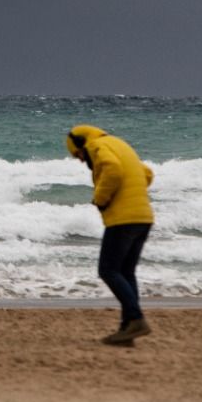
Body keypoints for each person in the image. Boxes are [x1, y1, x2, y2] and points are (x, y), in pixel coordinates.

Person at [66, 124, 155, 345]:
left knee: (108, 270)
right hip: (143, 216)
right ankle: (127, 330)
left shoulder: (97, 146)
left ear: (81, 142)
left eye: (78, 155)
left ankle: (136, 319)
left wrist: (101, 197)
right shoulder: (119, 143)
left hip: (123, 219)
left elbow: (112, 169)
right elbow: (147, 173)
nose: (80, 160)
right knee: (126, 272)